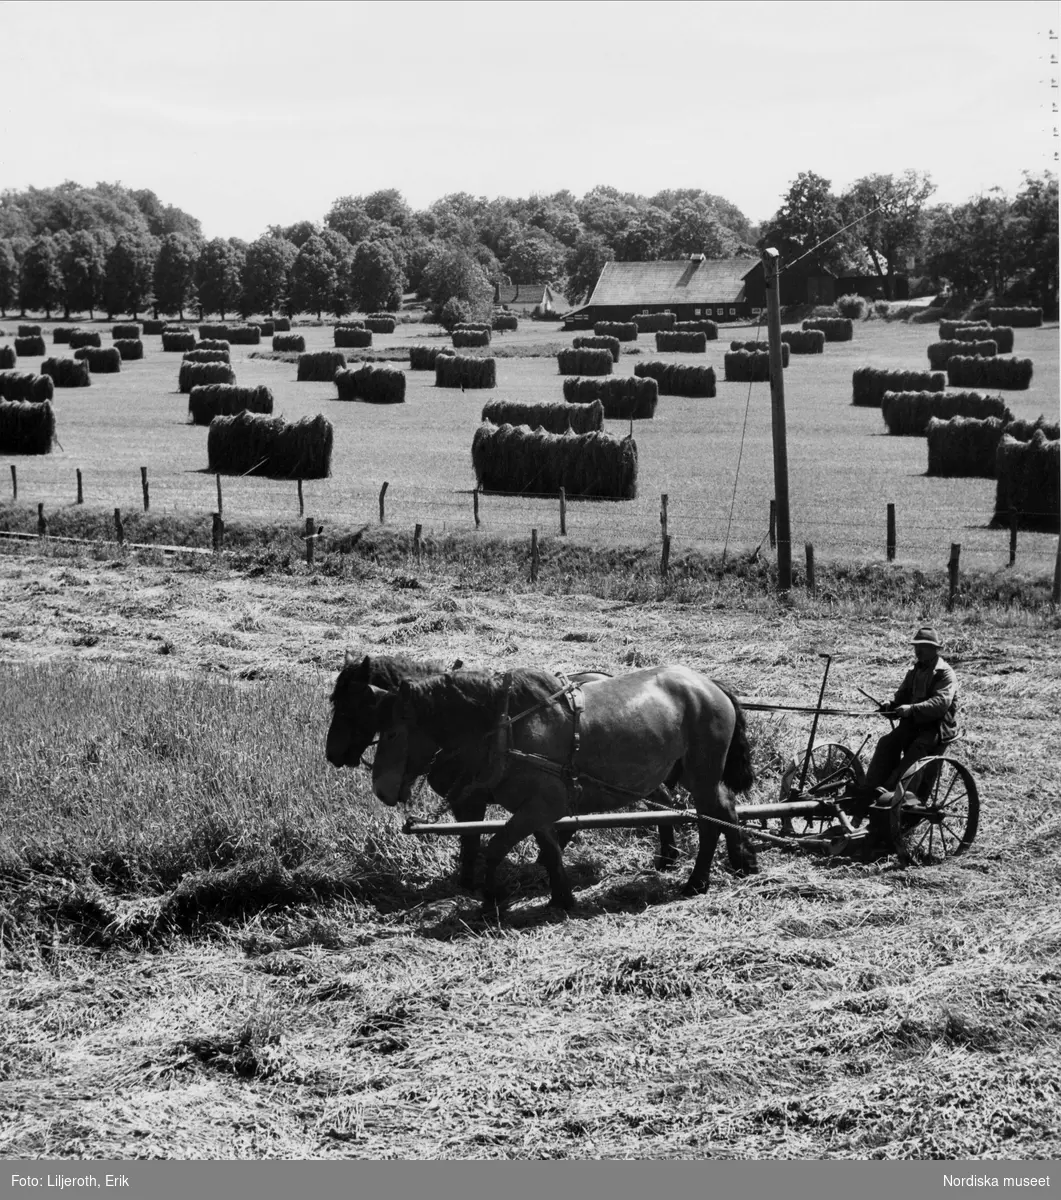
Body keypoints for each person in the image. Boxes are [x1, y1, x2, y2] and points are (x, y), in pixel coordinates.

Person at [862, 627, 959, 801]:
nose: (918, 651)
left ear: (934, 649)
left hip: (936, 729)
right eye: (916, 646)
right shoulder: (914, 672)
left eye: (922, 646)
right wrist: (890, 706)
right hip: (913, 725)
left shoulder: (945, 673)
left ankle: (893, 793)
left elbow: (940, 704)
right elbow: (901, 698)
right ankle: (869, 790)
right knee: (886, 743)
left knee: (917, 750)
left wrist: (912, 709)